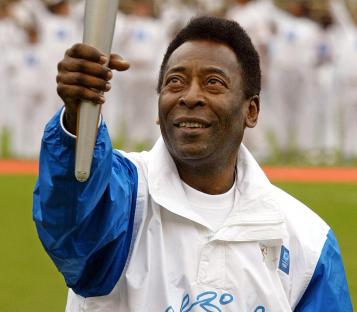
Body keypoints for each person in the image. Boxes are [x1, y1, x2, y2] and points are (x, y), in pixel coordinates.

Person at [33, 16, 352, 311]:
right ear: (159, 109)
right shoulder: (126, 201)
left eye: (213, 82)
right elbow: (71, 221)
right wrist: (78, 119)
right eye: (175, 82)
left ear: (251, 111)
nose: (190, 96)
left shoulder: (307, 241)